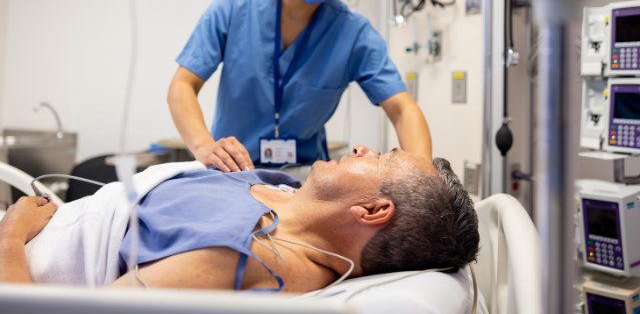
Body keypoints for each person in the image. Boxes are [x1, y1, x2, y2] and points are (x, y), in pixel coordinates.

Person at [167, 0, 433, 174]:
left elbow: (403, 110)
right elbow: (182, 86)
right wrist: (203, 146)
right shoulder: (234, 6)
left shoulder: (353, 34)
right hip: (232, 172)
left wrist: (422, 180)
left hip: (307, 181)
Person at [0, 146, 479, 292]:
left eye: (378, 158)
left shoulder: (247, 256)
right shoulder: (290, 198)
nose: (360, 148)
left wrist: (12, 232)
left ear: (372, 211)